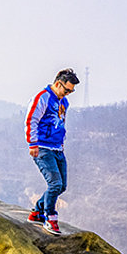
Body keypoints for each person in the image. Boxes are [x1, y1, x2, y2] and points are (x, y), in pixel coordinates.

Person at [25, 68, 79, 235]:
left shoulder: (63, 102)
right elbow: (31, 119)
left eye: (71, 91)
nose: (68, 94)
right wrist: (32, 144)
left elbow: (61, 123)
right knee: (54, 184)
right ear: (58, 84)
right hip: (42, 147)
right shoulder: (43, 97)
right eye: (67, 90)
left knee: (61, 185)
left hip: (57, 148)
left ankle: (36, 213)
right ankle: (50, 217)